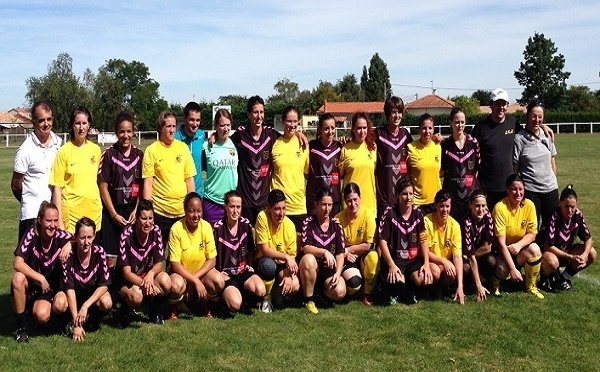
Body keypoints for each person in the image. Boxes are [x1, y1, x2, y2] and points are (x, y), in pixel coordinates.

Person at [472, 88, 553, 210]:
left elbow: (530, 126)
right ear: (491, 105)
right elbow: (471, 153)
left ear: (507, 105)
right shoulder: (480, 128)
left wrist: (542, 125)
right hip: (486, 189)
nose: (501, 107)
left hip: (509, 189)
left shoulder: (513, 123)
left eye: (503, 104)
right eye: (497, 104)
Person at [10, 201, 71, 343]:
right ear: (40, 220)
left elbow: (81, 239)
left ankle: (60, 322)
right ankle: (21, 328)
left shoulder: (61, 236)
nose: (53, 225)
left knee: (57, 306)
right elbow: (17, 263)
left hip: (54, 289)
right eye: (48, 221)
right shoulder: (31, 233)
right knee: (18, 278)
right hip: (35, 288)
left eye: (56, 220)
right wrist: (40, 278)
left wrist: (70, 243)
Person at [378, 178, 436, 304]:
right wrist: (391, 265)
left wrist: (426, 263)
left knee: (426, 280)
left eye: (411, 193)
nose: (408, 197)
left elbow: (423, 240)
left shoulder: (418, 214)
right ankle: (397, 289)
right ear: (397, 195)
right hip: (396, 259)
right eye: (404, 193)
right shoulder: (389, 213)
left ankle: (408, 290)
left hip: (412, 260)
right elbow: (382, 241)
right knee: (396, 282)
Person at [142, 111, 196, 244]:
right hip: (160, 212)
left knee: (181, 253)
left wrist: (192, 205)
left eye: (174, 126)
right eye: (168, 126)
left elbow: (189, 179)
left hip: (181, 211)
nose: (172, 130)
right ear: (161, 128)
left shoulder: (183, 148)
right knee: (157, 253)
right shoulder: (151, 150)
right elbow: (148, 184)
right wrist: (148, 211)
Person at [11, 101, 62, 242]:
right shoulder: (25, 150)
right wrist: (30, 199)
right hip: (32, 215)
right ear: (33, 122)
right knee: (28, 262)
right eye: (41, 120)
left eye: (49, 119)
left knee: (51, 261)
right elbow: (16, 185)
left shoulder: (59, 143)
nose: (46, 124)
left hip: (54, 216)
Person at [98, 111, 143, 268]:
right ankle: (109, 291)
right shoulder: (109, 154)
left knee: (132, 256)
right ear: (116, 132)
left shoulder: (139, 155)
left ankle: (127, 290)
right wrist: (113, 214)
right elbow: (102, 186)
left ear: (133, 132)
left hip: (131, 212)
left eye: (129, 131)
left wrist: (136, 211)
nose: (126, 135)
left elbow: (143, 186)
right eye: (122, 131)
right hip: (112, 214)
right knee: (111, 259)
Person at [168, 192, 223, 318]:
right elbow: (174, 264)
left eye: (199, 211)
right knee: (176, 285)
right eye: (192, 211)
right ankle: (174, 307)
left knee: (218, 281)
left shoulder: (206, 227)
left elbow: (212, 260)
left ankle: (204, 303)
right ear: (185, 211)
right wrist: (192, 280)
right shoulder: (176, 229)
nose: (196, 215)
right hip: (181, 276)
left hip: (201, 275)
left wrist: (195, 280)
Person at [117, 199, 171, 326]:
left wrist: (151, 274)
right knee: (136, 296)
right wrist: (145, 284)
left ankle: (152, 310)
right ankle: (123, 311)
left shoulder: (156, 231)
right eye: (144, 218)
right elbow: (126, 273)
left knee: (166, 282)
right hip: (128, 282)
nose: (148, 223)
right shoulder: (126, 235)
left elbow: (159, 262)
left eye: (150, 218)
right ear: (136, 218)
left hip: (146, 277)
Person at [49, 106, 102, 234]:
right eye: (78, 123)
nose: (81, 127)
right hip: (72, 220)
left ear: (89, 125)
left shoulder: (96, 150)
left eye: (84, 123)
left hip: (94, 216)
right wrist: (60, 224)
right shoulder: (63, 152)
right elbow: (57, 189)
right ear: (72, 125)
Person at [491, 174, 544, 299]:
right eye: (514, 189)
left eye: (521, 189)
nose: (518, 193)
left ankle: (531, 286)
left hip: (518, 250)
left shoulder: (529, 205)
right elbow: (501, 243)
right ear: (507, 190)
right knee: (502, 270)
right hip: (502, 253)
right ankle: (494, 284)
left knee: (535, 249)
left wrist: (519, 245)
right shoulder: (500, 208)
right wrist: (513, 269)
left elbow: (532, 234)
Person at [213, 190, 266, 313]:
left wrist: (250, 264)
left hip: (242, 272)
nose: (235, 211)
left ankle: (244, 299)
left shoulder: (246, 225)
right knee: (235, 304)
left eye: (238, 207)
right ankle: (223, 299)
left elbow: (252, 249)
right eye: (232, 207)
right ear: (225, 207)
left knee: (260, 289)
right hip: (226, 275)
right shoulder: (218, 228)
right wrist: (217, 273)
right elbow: (211, 256)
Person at [513, 99, 558, 242]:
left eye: (540, 116)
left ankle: (549, 261)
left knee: (550, 227)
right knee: (531, 229)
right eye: (534, 116)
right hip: (531, 191)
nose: (537, 120)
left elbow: (552, 162)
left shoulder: (547, 135)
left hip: (550, 190)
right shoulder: (519, 138)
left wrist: (552, 181)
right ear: (527, 115)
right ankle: (533, 260)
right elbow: (515, 167)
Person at [62, 217, 112, 341]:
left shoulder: (99, 252)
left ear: (94, 236)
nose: (86, 242)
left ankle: (92, 319)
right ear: (75, 237)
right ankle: (68, 321)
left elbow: (104, 284)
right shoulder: (68, 255)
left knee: (107, 302)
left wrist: (85, 306)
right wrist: (77, 325)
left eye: (89, 237)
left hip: (90, 298)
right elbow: (69, 289)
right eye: (82, 237)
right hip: (73, 296)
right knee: (59, 303)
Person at [299, 188, 347, 314]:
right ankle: (309, 299)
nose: (327, 209)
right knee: (308, 259)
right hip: (312, 267)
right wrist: (324, 252)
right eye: (323, 204)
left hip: (327, 269)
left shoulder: (336, 225)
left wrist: (337, 273)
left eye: (330, 205)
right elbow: (306, 247)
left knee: (340, 292)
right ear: (316, 204)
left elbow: (340, 253)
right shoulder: (308, 223)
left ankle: (321, 294)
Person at [540, 185, 596, 292]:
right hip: (550, 253)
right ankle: (545, 278)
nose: (570, 210)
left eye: (573, 207)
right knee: (552, 261)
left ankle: (562, 279)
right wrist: (569, 257)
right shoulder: (553, 217)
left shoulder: (578, 215)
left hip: (566, 253)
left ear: (577, 204)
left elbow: (588, 239)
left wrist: (584, 255)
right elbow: (547, 246)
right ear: (559, 203)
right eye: (566, 206)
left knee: (591, 253)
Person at [254, 189, 299, 313]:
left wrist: (289, 276)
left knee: (295, 285)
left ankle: (275, 292)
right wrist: (287, 257)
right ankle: (266, 298)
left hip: (281, 264)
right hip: (264, 261)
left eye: (284, 208)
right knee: (269, 265)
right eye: (277, 209)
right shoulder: (262, 217)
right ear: (269, 208)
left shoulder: (290, 226)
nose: (281, 213)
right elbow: (265, 250)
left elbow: (292, 257)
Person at [335, 182, 378, 306]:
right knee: (354, 283)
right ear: (344, 201)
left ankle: (367, 293)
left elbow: (368, 245)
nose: (353, 204)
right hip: (346, 258)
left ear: (360, 198)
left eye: (355, 199)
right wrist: (345, 254)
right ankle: (347, 288)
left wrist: (348, 250)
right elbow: (336, 246)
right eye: (349, 201)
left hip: (362, 255)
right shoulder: (338, 219)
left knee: (373, 257)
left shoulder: (368, 215)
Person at [271, 105, 309, 233]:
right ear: (282, 122)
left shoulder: (303, 144)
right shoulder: (274, 144)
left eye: (295, 121)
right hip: (279, 207)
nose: (292, 125)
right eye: (289, 121)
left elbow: (307, 173)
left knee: (299, 249)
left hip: (298, 207)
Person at [374, 96, 413, 216]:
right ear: (387, 114)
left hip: (403, 196)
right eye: (393, 112)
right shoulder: (378, 134)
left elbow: (420, 146)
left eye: (399, 112)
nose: (397, 116)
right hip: (384, 197)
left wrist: (434, 138)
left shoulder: (405, 135)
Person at [424, 190, 464, 304]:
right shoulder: (427, 221)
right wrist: (443, 261)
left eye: (447, 206)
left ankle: (441, 289)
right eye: (441, 206)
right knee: (435, 271)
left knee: (454, 271)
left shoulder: (455, 226)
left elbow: (457, 256)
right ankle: (429, 290)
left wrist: (460, 286)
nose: (444, 210)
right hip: (430, 262)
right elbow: (424, 252)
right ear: (435, 206)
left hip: (445, 263)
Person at [441, 107, 480, 221]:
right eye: (457, 122)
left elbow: (477, 169)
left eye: (462, 122)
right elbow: (442, 170)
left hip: (469, 198)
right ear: (451, 123)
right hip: (452, 199)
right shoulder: (445, 145)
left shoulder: (473, 143)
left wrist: (471, 188)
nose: (460, 125)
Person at [201, 109, 238, 225]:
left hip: (231, 203)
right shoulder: (207, 146)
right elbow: (202, 172)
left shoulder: (236, 144)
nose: (226, 128)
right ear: (216, 125)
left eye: (228, 125)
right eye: (222, 125)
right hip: (212, 202)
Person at [338, 112, 377, 218]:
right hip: (351, 205)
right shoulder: (345, 149)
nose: (362, 131)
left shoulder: (373, 148)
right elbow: (339, 176)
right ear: (353, 129)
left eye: (364, 128)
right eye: (359, 128)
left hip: (369, 204)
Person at [461, 190, 495, 302]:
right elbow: (469, 257)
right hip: (465, 256)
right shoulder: (466, 222)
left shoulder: (488, 217)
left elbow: (487, 247)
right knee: (465, 267)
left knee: (491, 261)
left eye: (483, 206)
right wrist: (478, 286)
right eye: (477, 206)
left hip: (476, 254)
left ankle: (483, 283)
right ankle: (470, 285)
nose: (481, 210)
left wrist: (472, 255)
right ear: (470, 205)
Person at [306, 112, 342, 216]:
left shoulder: (340, 147)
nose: (330, 132)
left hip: (333, 202)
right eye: (326, 128)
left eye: (332, 128)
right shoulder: (311, 147)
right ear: (320, 130)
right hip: (315, 202)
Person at [407, 113, 442, 214]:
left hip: (436, 202)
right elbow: (405, 173)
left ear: (433, 129)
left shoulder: (438, 146)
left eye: (430, 128)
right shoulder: (410, 148)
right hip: (418, 204)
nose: (427, 131)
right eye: (424, 128)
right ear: (419, 129)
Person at [175, 101, 205, 197]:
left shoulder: (201, 135)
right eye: (191, 120)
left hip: (198, 194)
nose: (195, 124)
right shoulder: (175, 138)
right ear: (184, 118)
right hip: (180, 194)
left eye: (198, 120)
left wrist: (214, 136)